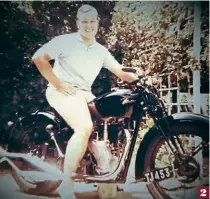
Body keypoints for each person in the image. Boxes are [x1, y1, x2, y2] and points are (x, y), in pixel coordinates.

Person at [32, 4, 141, 199]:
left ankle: (104, 178)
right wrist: (57, 83)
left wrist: (141, 80)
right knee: (84, 127)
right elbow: (38, 58)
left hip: (85, 94)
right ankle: (67, 184)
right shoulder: (65, 42)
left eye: (92, 21)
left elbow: (119, 71)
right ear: (78, 23)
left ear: (98, 22)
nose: (89, 25)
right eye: (84, 22)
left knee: (111, 123)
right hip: (62, 91)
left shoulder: (100, 50)